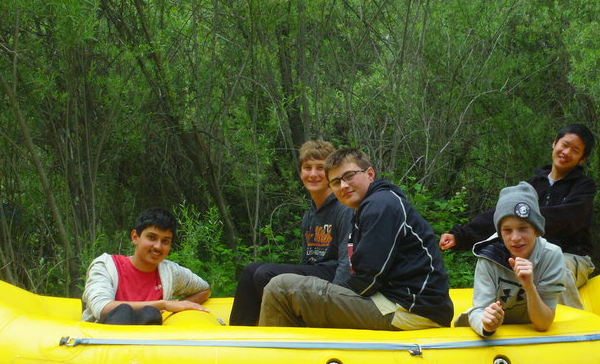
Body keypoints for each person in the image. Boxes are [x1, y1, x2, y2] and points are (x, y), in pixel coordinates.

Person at [259, 147, 453, 330]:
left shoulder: (381, 204)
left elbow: (368, 278)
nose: (343, 185)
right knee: (299, 292)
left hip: (411, 309)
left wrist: (330, 296)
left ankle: (272, 363)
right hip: (394, 301)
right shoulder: (366, 208)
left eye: (349, 176)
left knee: (281, 288)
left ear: (370, 174)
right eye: (335, 182)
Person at [440, 123, 596, 307]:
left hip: (572, 256)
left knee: (557, 264)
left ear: (582, 159)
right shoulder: (532, 185)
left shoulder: (584, 187)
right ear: (554, 143)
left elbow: (568, 218)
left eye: (575, 150)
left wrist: (527, 216)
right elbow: (502, 215)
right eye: (565, 144)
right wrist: (461, 235)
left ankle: (573, 328)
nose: (566, 152)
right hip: (533, 255)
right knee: (495, 257)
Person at [229, 139, 352, 326]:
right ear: (300, 172)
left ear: (330, 173)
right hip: (314, 273)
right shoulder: (309, 215)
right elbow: (306, 262)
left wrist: (336, 302)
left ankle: (296, 321)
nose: (313, 174)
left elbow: (346, 263)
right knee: (250, 270)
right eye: (307, 168)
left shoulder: (343, 208)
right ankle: (238, 336)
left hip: (331, 278)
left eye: (320, 168)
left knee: (265, 274)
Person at [465, 182, 565, 336]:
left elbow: (543, 323)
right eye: (507, 230)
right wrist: (487, 325)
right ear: (500, 233)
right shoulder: (488, 256)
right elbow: (478, 311)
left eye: (523, 228)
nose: (516, 238)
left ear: (537, 230)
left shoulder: (551, 256)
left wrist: (529, 286)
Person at [82, 208, 211, 324]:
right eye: (151, 238)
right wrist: (163, 305)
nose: (158, 246)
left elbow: (204, 289)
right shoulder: (106, 266)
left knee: (150, 314)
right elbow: (102, 307)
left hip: (150, 346)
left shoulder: (169, 271)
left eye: (165, 241)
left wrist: (177, 306)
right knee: (125, 312)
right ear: (135, 237)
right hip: (103, 344)